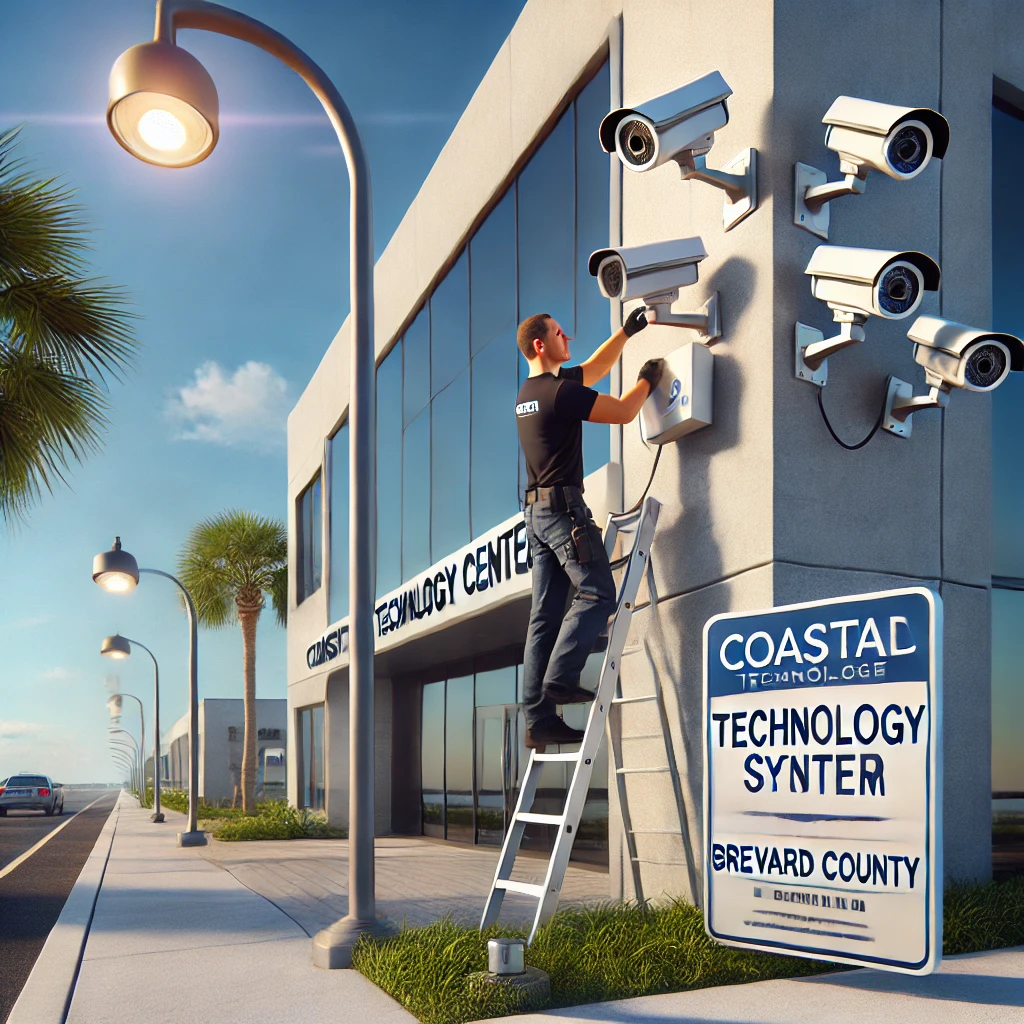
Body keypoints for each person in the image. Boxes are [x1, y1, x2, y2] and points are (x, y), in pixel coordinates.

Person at [515, 309, 663, 749]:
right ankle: (560, 680)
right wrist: (649, 380)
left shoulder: (531, 392)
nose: (568, 336)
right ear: (540, 344)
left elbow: (596, 368)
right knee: (598, 593)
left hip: (537, 515)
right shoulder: (558, 394)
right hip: (563, 513)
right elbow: (621, 412)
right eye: (560, 332)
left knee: (543, 617)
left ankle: (538, 719)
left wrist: (626, 332)